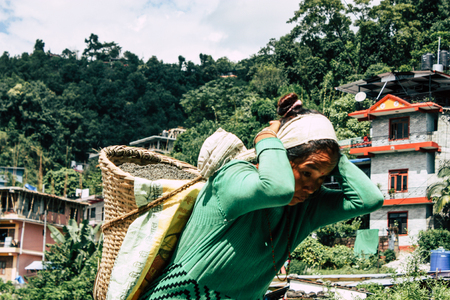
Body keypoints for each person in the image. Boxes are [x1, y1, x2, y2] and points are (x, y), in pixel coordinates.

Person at [139, 93, 384, 300]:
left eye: (321, 178)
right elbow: (277, 188)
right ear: (281, 157)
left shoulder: (305, 209)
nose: (312, 187)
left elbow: (369, 199)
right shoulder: (232, 177)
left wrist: (333, 151)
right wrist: (266, 136)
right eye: (307, 172)